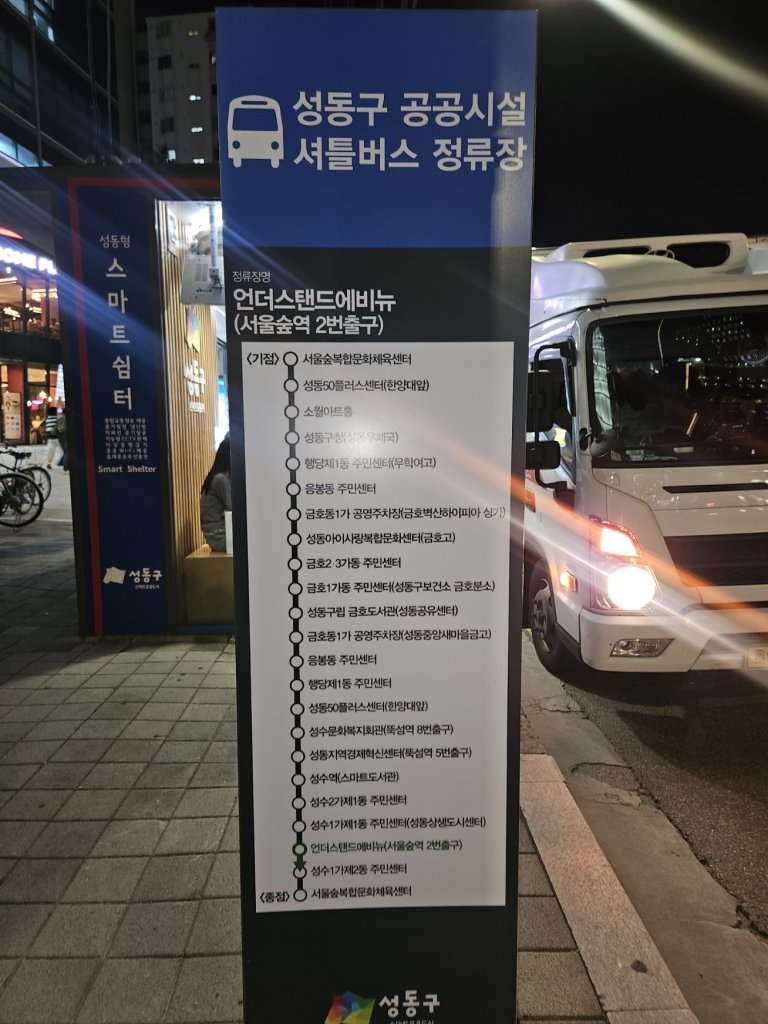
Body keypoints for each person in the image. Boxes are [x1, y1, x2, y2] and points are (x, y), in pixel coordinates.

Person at [200, 436, 231, 551]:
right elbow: (233, 506)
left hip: (214, 533)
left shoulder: (216, 477)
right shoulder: (220, 479)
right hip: (219, 535)